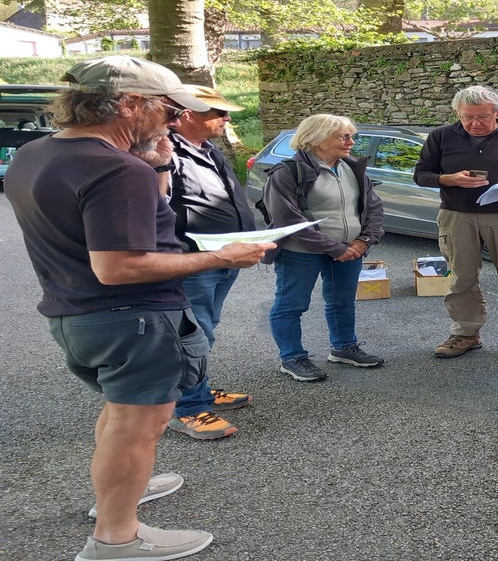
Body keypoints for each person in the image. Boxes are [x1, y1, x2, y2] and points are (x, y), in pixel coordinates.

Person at [5, 55, 273, 561]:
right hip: (134, 317)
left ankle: (120, 492)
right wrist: (222, 256)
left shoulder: (36, 152)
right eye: (169, 110)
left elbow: (132, 219)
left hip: (74, 312)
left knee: (119, 416)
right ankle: (116, 538)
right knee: (137, 429)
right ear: (130, 104)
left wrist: (157, 167)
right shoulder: (115, 167)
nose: (174, 121)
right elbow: (119, 266)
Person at [413, 85, 498, 363]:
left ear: (497, 113)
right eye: (468, 117)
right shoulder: (441, 136)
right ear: (457, 113)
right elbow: (421, 174)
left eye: (483, 117)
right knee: (461, 277)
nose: (475, 123)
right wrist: (449, 179)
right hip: (457, 214)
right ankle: (465, 333)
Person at [159, 84, 256, 440]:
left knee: (204, 329)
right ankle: (187, 407)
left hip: (225, 256)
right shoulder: (166, 151)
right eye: (218, 113)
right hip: (193, 260)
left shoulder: (209, 149)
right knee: (192, 334)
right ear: (187, 114)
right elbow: (158, 205)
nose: (227, 119)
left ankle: (198, 390)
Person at [263, 114, 386, 382]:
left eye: (351, 136)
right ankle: (292, 357)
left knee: (343, 302)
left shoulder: (352, 168)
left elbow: (374, 207)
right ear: (317, 139)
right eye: (343, 136)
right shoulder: (287, 172)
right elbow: (288, 220)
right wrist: (335, 248)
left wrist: (364, 241)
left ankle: (344, 347)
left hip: (350, 250)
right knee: (291, 305)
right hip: (300, 253)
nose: (351, 142)